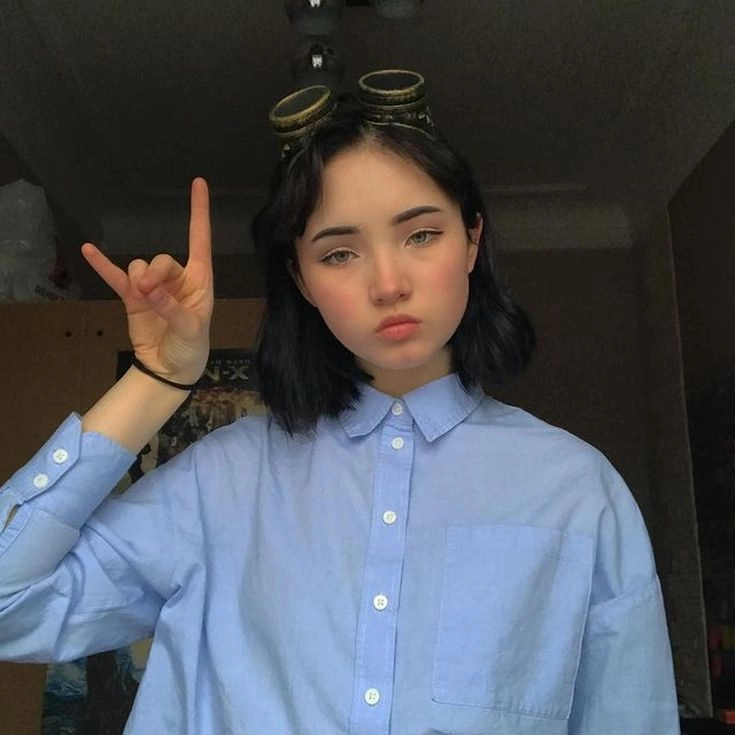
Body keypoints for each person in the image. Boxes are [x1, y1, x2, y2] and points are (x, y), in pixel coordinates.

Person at [0, 70, 679, 734]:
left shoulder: (575, 489)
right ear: (300, 278)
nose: (388, 283)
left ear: (472, 239)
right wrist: (157, 378)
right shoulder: (221, 481)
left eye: (421, 235)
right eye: (339, 254)